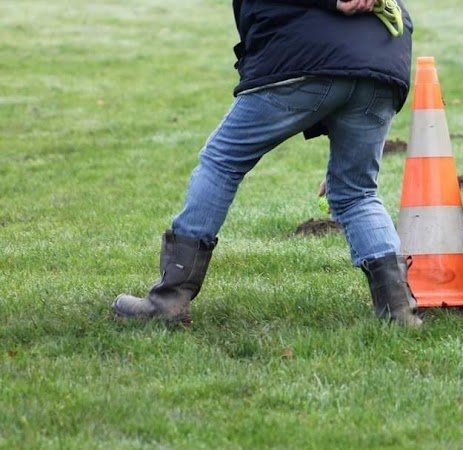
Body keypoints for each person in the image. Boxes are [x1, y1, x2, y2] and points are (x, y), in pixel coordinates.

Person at [112, 0, 421, 326]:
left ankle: (168, 300)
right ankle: (399, 311)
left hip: (307, 55)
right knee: (356, 192)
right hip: (383, 61)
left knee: (222, 162)